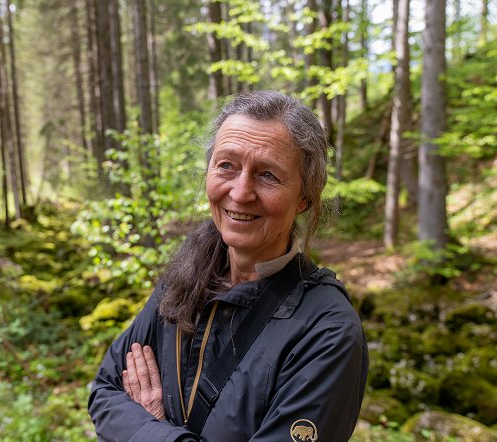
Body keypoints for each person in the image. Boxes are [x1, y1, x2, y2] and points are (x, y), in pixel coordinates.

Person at [88, 90, 368, 442]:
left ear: (304, 199)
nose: (240, 192)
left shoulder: (326, 332)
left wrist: (151, 427)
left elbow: (120, 418)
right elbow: (104, 392)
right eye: (226, 166)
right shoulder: (186, 277)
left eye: (268, 175)